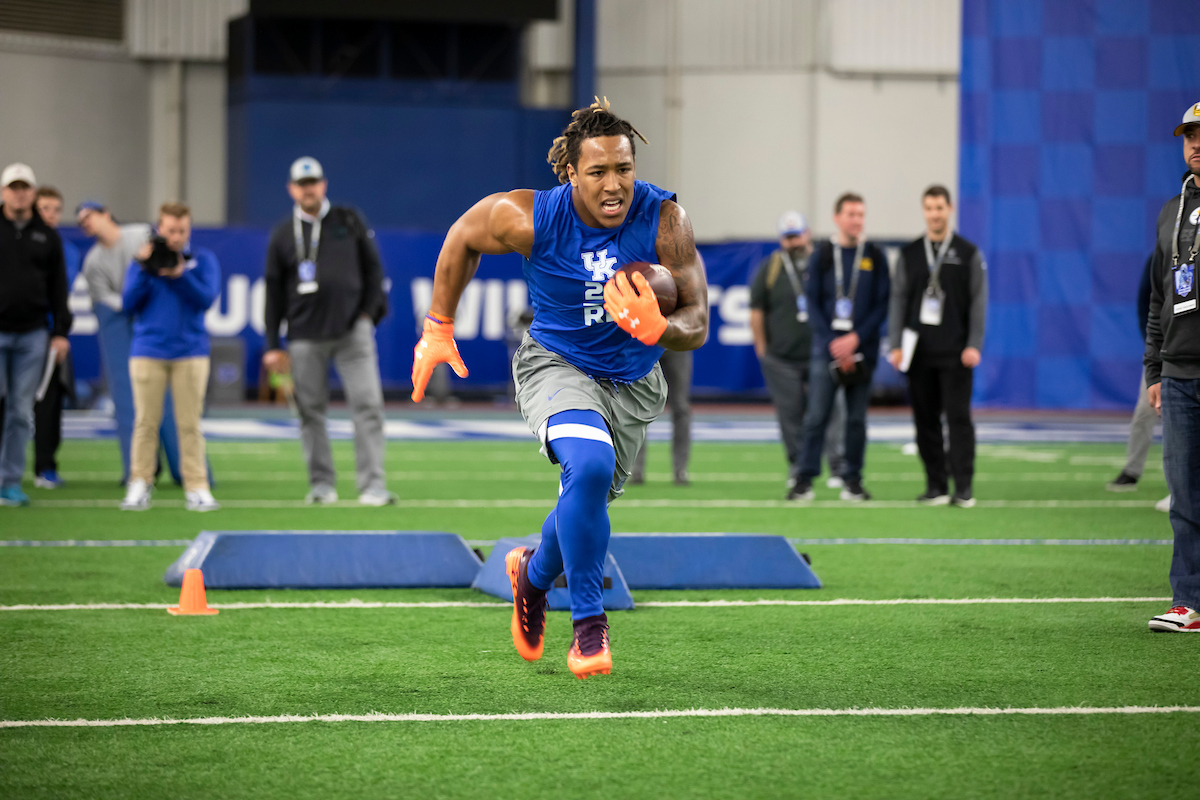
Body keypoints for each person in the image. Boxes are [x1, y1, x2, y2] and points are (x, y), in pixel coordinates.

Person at [410, 99, 708, 678]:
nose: (614, 184)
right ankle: (589, 628)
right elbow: (463, 235)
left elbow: (696, 321)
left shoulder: (666, 219)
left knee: (586, 497)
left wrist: (661, 329)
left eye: (623, 168)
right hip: (556, 364)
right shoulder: (532, 217)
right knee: (589, 467)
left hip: (633, 382)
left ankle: (533, 575)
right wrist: (438, 326)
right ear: (571, 172)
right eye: (598, 171)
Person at [263, 157, 393, 506]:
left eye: (314, 182)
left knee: (368, 405)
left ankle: (372, 485)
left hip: (352, 331)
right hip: (304, 335)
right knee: (309, 411)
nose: (309, 189)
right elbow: (273, 292)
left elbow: (374, 271)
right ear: (292, 189)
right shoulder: (282, 234)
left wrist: (367, 315)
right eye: (302, 184)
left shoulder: (347, 220)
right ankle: (322, 484)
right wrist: (272, 344)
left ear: (324, 184)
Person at [887, 186, 987, 508]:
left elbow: (978, 302)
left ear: (950, 209)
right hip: (918, 353)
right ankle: (936, 485)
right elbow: (898, 300)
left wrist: (974, 344)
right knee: (924, 421)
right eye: (929, 208)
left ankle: (963, 487)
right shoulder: (910, 254)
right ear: (924, 211)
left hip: (957, 354)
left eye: (939, 208)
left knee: (958, 420)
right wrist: (895, 344)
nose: (934, 214)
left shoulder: (968, 253)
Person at [119, 203, 221, 512]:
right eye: (170, 230)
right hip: (148, 350)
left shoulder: (202, 259)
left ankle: (197, 486)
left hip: (190, 352)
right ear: (159, 229)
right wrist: (143, 266)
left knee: (190, 423)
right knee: (145, 422)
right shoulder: (143, 261)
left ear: (189, 230)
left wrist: (180, 275)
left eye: (182, 231)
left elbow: (206, 299)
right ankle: (139, 482)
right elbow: (128, 303)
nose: (176, 237)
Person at [790, 193, 890, 502]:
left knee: (856, 419)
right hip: (827, 350)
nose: (856, 220)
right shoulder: (822, 255)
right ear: (837, 218)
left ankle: (853, 480)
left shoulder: (875, 255)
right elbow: (812, 303)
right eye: (851, 214)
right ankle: (804, 479)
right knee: (816, 416)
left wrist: (855, 338)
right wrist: (833, 341)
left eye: (861, 214)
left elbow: (882, 305)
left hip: (862, 350)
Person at [78, 200, 183, 486]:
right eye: (82, 221)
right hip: (121, 320)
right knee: (127, 398)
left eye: (90, 216)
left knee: (167, 394)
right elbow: (104, 299)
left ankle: (184, 467)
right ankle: (141, 468)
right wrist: (130, 302)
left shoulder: (140, 234)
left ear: (106, 214)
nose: (86, 223)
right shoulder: (93, 261)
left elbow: (167, 262)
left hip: (153, 314)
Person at [1146, 101, 1200, 633]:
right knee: (1184, 496)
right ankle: (1188, 601)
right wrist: (1153, 369)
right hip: (1179, 372)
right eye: (1189, 136)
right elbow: (1160, 296)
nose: (1196, 144)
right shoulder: (1170, 211)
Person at [751, 210, 845, 497]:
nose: (794, 242)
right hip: (782, 358)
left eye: (798, 236)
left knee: (830, 411)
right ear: (782, 239)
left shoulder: (824, 265)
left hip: (820, 354)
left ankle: (838, 467)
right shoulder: (770, 268)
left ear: (808, 234)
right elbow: (757, 311)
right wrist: (762, 350)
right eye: (788, 237)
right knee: (790, 416)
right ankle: (798, 467)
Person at [0, 163, 71, 507]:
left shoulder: (48, 235)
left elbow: (59, 288)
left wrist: (60, 332)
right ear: (3, 192)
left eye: (24, 187)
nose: (19, 194)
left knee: (20, 411)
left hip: (33, 335)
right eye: (13, 188)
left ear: (32, 192)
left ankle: (9, 482)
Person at [1107, 254, 1171, 512]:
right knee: (1146, 410)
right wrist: (1152, 344)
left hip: (1190, 353)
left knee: (1185, 419)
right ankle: (1132, 470)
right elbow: (1147, 302)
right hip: (1165, 352)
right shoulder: (1160, 256)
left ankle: (1181, 487)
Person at [31, 187, 80, 488]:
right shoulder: (13, 240)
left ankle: (45, 466)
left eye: (55, 209)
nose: (50, 214)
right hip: (15, 331)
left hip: (50, 335)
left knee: (50, 402)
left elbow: (59, 290)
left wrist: (59, 331)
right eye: (44, 208)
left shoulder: (65, 250)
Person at [630, 329, 695, 486]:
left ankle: (681, 470)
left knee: (680, 407)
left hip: (676, 341)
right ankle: (635, 469)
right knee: (639, 406)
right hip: (646, 341)